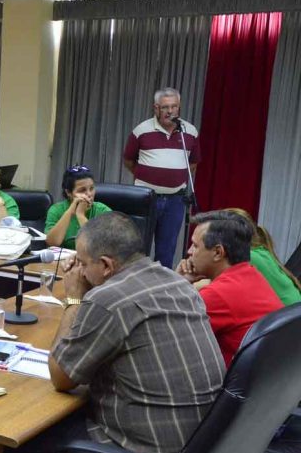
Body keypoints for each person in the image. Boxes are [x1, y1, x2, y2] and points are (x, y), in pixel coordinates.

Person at [0, 212, 224, 453]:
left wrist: (75, 297)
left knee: (23, 434)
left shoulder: (109, 298)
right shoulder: (177, 282)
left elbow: (62, 376)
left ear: (105, 266)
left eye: (82, 261)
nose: (77, 268)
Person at [176, 210, 283, 366]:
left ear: (218, 253)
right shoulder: (251, 275)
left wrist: (179, 282)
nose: (189, 251)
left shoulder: (217, 295)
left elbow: (168, 334)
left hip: (236, 385)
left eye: (195, 245)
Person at [124, 87, 199, 269]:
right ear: (156, 108)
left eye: (174, 107)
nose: (170, 111)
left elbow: (193, 164)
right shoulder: (141, 130)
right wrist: (149, 177)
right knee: (138, 248)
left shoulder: (189, 131)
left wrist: (173, 177)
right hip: (146, 198)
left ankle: (159, 290)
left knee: (166, 251)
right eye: (165, 107)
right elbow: (128, 160)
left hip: (175, 200)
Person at [225, 208, 301, 306]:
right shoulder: (259, 251)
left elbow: (214, 286)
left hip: (287, 317)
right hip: (292, 314)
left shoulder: (248, 257)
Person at [45, 165, 112, 249]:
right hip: (65, 260)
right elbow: (52, 243)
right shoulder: (56, 210)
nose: (89, 194)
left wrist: (80, 214)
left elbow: (96, 245)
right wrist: (70, 212)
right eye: (82, 190)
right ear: (68, 192)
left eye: (91, 188)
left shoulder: (102, 210)